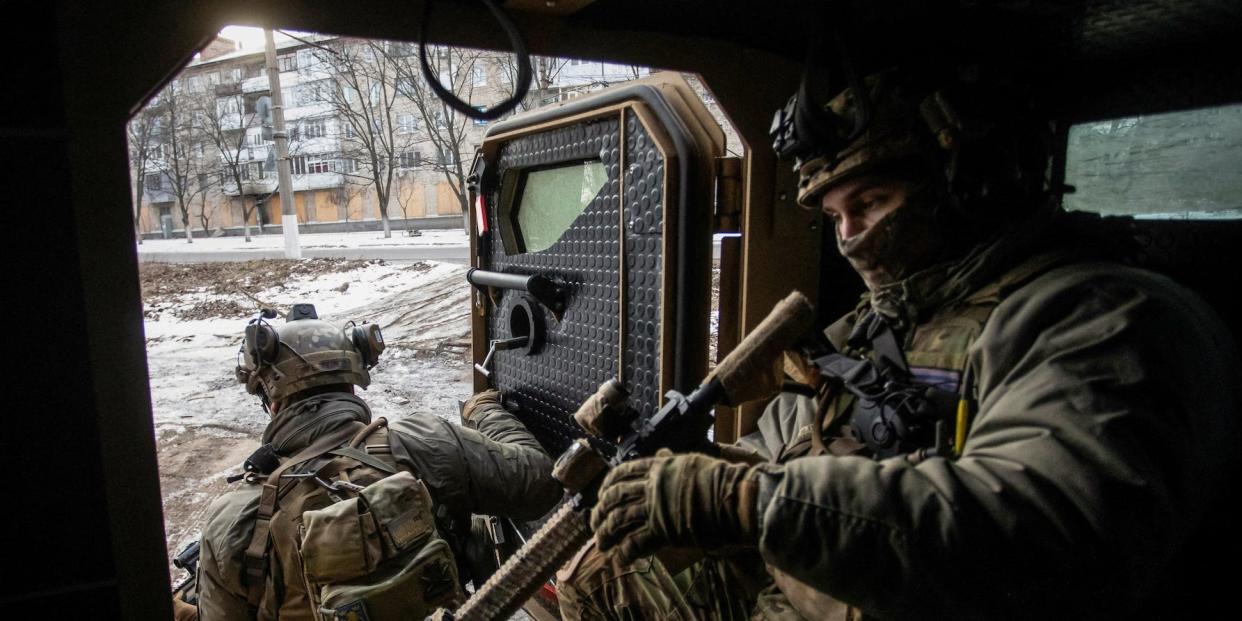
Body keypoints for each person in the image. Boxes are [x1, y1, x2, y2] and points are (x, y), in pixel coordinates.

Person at [562, 65, 1242, 620]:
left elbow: (1036, 537)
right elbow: (781, 454)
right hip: (811, 585)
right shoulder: (877, 323)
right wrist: (696, 470)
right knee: (601, 572)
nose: (851, 235)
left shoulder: (1099, 319)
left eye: (873, 201)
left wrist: (739, 499)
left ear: (966, 186)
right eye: (834, 216)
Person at [180, 305, 563, 620]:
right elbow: (541, 483)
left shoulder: (231, 518)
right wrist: (485, 411)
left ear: (273, 400)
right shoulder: (423, 442)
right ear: (353, 380)